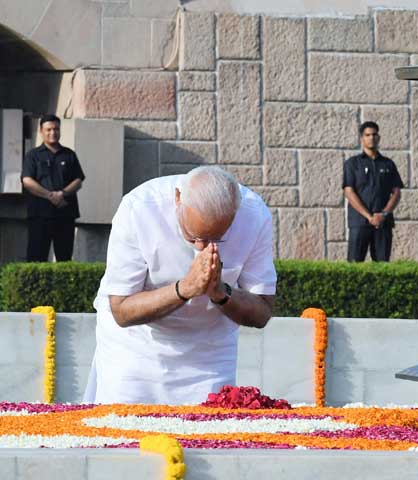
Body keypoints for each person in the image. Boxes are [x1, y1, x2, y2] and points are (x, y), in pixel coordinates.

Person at [83, 166, 277, 404]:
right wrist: (184, 289)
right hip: (135, 348)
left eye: (215, 239)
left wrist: (220, 293)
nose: (200, 247)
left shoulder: (254, 215)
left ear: (235, 216)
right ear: (177, 200)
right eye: (192, 235)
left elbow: (262, 312)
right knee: (124, 437)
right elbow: (122, 310)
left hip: (209, 354)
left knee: (206, 438)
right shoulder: (140, 207)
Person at [21, 114, 85, 262]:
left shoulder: (69, 155)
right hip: (39, 215)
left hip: (65, 214)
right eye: (48, 129)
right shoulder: (33, 156)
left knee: (64, 258)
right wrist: (50, 196)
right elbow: (27, 181)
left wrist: (62, 194)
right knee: (36, 258)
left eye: (56, 129)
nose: (52, 133)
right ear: (41, 131)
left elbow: (78, 180)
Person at [342, 121, 404, 262]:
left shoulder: (388, 164)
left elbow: (396, 193)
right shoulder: (352, 164)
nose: (371, 138)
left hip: (383, 223)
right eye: (367, 135)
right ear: (362, 139)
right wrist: (369, 217)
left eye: (374, 134)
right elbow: (349, 192)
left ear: (379, 137)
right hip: (359, 222)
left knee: (382, 266)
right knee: (354, 266)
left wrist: (383, 214)